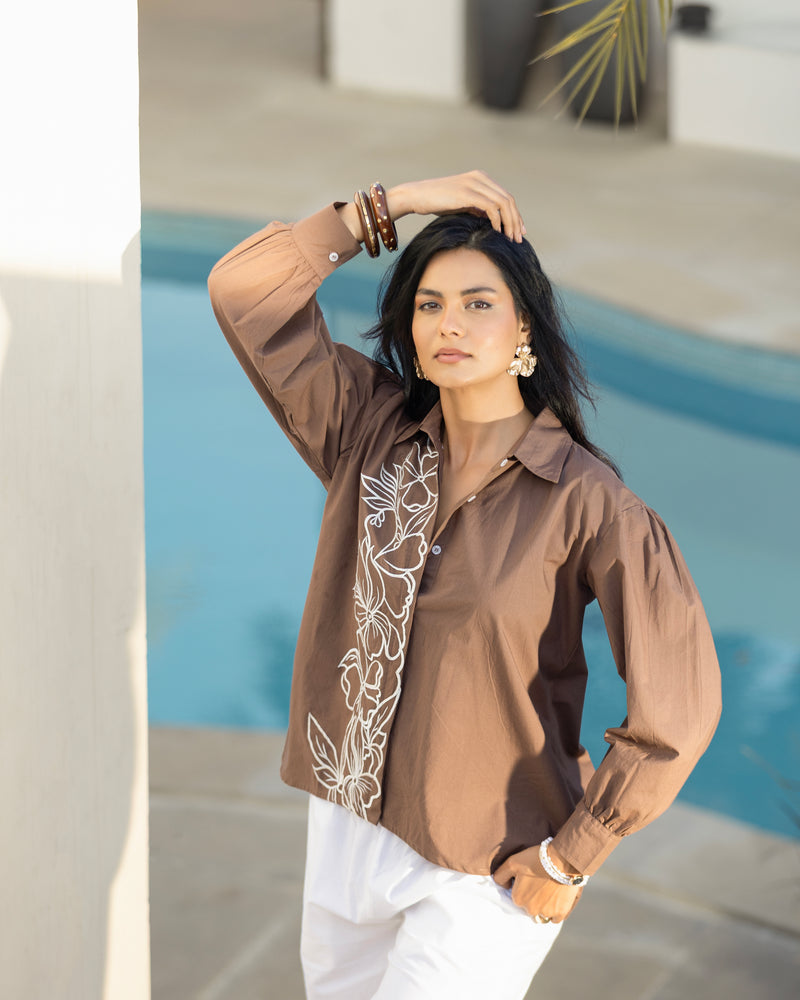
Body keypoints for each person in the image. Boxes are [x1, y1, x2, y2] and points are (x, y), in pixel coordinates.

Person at [208, 171, 721, 1000]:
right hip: (347, 827)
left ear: (525, 326)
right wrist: (387, 207)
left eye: (479, 303)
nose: (450, 323)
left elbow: (679, 709)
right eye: (430, 304)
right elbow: (244, 292)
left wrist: (574, 856)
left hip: (486, 865)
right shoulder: (365, 431)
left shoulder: (590, 504)